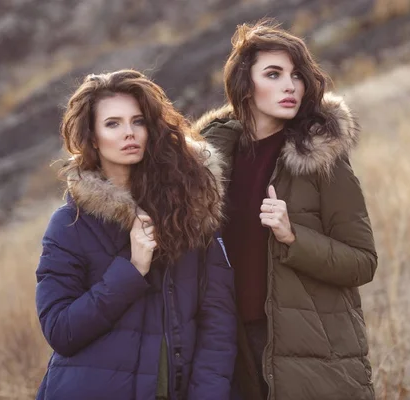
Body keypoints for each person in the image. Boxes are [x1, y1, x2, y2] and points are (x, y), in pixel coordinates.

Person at [194, 20, 378, 400]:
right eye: (274, 74)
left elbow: (363, 261)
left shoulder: (320, 157)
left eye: (297, 75)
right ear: (246, 85)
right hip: (228, 345)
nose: (290, 85)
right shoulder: (211, 161)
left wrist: (293, 236)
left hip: (309, 349)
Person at [35, 69, 236, 400]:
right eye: (112, 124)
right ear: (93, 137)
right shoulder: (70, 224)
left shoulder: (192, 211)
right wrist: (130, 269)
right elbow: (61, 330)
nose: (128, 132)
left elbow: (218, 326)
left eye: (138, 121)